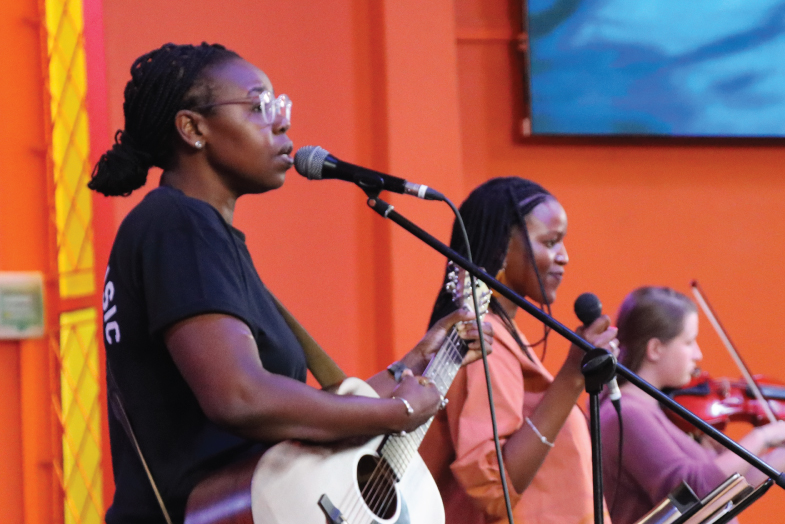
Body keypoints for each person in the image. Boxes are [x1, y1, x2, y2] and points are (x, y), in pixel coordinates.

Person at [90, 43, 490, 524]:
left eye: (280, 105)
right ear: (193, 128)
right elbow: (241, 397)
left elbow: (289, 409)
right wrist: (400, 410)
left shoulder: (195, 231)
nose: (281, 123)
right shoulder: (179, 224)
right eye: (259, 106)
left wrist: (414, 363)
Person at [418, 177, 617, 524]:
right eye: (550, 242)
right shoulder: (480, 339)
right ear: (501, 248)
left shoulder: (506, 335)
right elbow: (495, 489)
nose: (564, 257)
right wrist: (572, 378)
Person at [601, 286, 785, 524]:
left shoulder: (661, 410)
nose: (698, 354)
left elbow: (737, 483)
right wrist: (761, 437)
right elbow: (694, 493)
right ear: (655, 349)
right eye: (689, 342)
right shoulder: (626, 414)